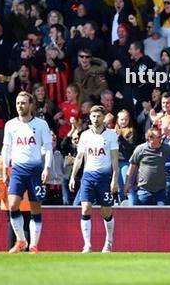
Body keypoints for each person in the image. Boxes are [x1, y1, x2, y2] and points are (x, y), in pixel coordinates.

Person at [1, 91, 53, 254]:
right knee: (13, 204)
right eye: (18, 103)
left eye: (23, 103)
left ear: (30, 105)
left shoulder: (41, 124)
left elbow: (49, 148)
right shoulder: (10, 125)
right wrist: (4, 169)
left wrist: (47, 168)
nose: (20, 106)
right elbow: (6, 148)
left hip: (35, 170)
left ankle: (34, 245)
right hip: (17, 170)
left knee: (35, 208)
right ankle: (21, 240)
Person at [69, 105, 119, 253]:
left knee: (106, 212)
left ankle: (109, 241)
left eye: (98, 116)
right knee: (85, 208)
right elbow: (79, 157)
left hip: (104, 178)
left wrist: (114, 179)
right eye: (93, 116)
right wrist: (73, 176)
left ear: (104, 118)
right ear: (90, 117)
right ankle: (87, 245)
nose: (96, 119)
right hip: (88, 176)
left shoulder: (111, 135)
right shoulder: (85, 135)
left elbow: (115, 159)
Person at [124, 127, 170, 206]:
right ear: (151, 139)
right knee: (141, 214)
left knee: (162, 214)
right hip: (144, 191)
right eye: (159, 137)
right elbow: (132, 167)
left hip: (160, 192)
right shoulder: (140, 149)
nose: (161, 138)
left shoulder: (164, 147)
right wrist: (127, 184)